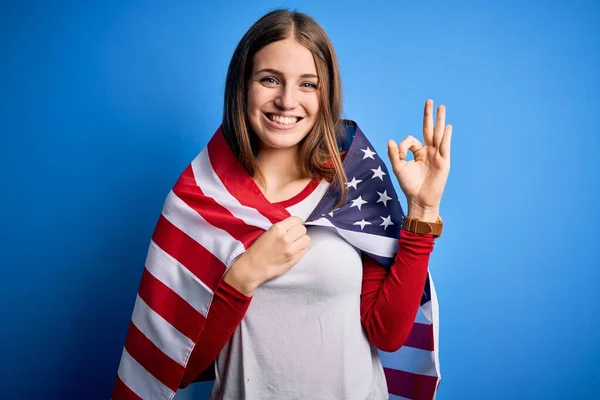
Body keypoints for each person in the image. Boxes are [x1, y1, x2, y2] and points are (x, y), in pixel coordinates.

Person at [111, 8, 451, 400]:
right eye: (269, 79)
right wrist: (243, 277)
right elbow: (179, 368)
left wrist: (423, 211)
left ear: (326, 95)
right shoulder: (200, 198)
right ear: (243, 85)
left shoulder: (351, 181)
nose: (287, 100)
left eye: (308, 84)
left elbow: (387, 334)